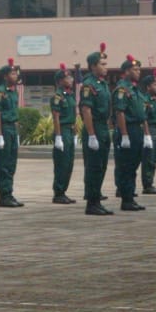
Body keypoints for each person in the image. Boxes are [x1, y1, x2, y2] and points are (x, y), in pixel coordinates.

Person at [80, 43, 114, 216]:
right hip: (94, 128)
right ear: (93, 66)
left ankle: (97, 199)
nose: (105, 67)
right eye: (102, 64)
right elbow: (86, 110)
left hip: (103, 127)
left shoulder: (103, 84)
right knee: (94, 166)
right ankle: (92, 203)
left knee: (101, 166)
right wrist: (92, 135)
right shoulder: (89, 85)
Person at [113, 54, 149, 211]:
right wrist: (125, 135)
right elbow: (120, 112)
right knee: (126, 166)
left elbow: (142, 112)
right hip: (128, 129)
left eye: (139, 68)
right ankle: (126, 199)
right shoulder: (122, 89)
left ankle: (130, 196)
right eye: (135, 69)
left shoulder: (135, 89)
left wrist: (146, 134)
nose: (138, 71)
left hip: (137, 130)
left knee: (134, 165)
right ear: (126, 71)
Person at [0, 58, 24, 208]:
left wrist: (17, 133)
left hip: (12, 129)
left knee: (12, 163)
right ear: (5, 76)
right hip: (4, 129)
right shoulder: (0, 92)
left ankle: (9, 193)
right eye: (12, 73)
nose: (15, 76)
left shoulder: (14, 93)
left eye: (16, 73)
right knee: (4, 164)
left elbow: (15, 113)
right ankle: (4, 196)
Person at [50, 63, 78, 204]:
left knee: (69, 163)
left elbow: (74, 114)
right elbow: (56, 117)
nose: (71, 80)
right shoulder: (58, 96)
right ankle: (58, 193)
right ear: (60, 81)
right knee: (62, 163)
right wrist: (58, 136)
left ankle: (63, 191)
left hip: (70, 131)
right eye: (68, 78)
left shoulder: (70, 95)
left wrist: (75, 132)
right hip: (62, 130)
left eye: (71, 77)